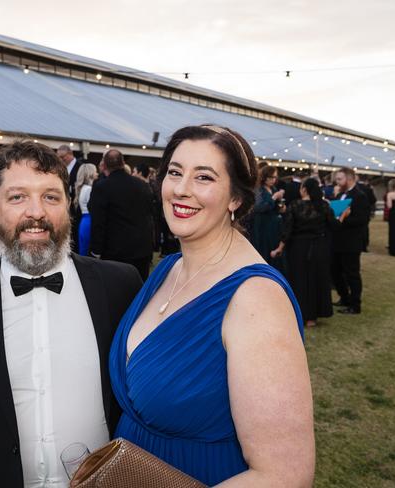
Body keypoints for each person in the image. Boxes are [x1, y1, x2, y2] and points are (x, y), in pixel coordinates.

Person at [0, 141, 142, 488]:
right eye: (18, 197)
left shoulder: (121, 286)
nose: (36, 212)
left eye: (50, 197)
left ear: (68, 205)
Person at [108, 124, 314, 486]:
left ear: (235, 198)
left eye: (204, 177)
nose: (182, 189)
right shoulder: (169, 267)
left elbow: (285, 475)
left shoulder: (256, 299)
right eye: (175, 172)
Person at [270, 178, 349, 327]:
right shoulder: (323, 206)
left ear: (304, 190)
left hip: (298, 248)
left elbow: (287, 230)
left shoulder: (295, 205)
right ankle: (312, 317)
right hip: (319, 248)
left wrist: (279, 248)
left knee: (299, 280)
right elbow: (334, 225)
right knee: (316, 280)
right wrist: (344, 215)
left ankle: (298, 313)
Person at [88, 149, 154, 280]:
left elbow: (98, 222)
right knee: (139, 291)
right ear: (123, 163)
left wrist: (96, 251)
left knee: (116, 293)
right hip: (142, 249)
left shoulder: (102, 187)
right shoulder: (142, 185)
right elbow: (149, 215)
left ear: (104, 165)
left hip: (115, 252)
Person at [331, 167, 370, 314]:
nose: (337, 182)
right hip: (336, 241)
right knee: (335, 272)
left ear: (349, 178)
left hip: (351, 242)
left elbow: (362, 220)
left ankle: (355, 304)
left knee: (351, 274)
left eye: (340, 179)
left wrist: (344, 218)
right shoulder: (340, 194)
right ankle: (344, 298)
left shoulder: (360, 196)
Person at [251, 165, 285, 268]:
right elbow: (259, 208)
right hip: (262, 226)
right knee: (263, 252)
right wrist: (274, 198)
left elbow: (274, 207)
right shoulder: (259, 190)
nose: (273, 180)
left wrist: (281, 207)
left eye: (275, 177)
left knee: (273, 253)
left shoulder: (273, 189)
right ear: (264, 177)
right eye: (271, 177)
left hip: (274, 226)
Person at [73, 163, 97, 256]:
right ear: (90, 173)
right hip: (89, 220)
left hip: (84, 221)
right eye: (95, 171)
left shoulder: (82, 188)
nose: (97, 174)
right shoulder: (89, 189)